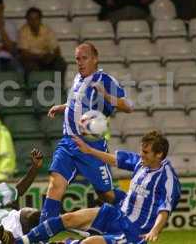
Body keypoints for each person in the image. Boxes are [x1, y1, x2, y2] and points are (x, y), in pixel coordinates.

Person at [1, 130, 181, 244]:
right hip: (117, 214)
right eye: (141, 150)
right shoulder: (141, 163)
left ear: (159, 155)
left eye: (146, 152)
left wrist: (155, 231)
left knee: (90, 243)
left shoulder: (168, 178)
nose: (141, 155)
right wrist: (89, 150)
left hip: (134, 231)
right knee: (68, 218)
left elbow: (164, 210)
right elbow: (115, 159)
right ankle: (17, 242)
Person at [40, 43, 134, 223]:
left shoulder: (104, 79)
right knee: (55, 184)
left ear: (95, 59)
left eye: (85, 58)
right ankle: (42, 234)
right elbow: (77, 103)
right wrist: (62, 107)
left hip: (91, 145)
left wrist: (105, 95)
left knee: (106, 193)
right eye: (77, 59)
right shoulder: (77, 78)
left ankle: (133, 212)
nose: (80, 63)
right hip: (68, 142)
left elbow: (128, 106)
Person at [18, 7, 66, 75]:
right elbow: (24, 53)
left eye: (36, 18)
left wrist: (51, 57)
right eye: (31, 19)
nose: (33, 21)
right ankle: (35, 85)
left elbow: (57, 50)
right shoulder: (23, 31)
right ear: (27, 20)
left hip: (46, 58)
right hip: (31, 59)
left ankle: (59, 84)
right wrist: (38, 57)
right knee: (30, 66)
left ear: (40, 19)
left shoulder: (47, 30)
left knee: (60, 63)